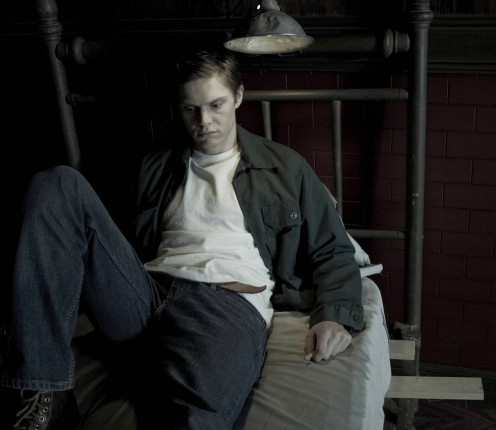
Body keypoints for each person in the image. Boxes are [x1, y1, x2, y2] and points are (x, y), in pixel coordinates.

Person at [0, 49, 365, 430]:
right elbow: (102, 243)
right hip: (145, 296)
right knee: (58, 184)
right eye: (191, 109)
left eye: (216, 105)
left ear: (238, 96)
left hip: (222, 303)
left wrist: (335, 316)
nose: (204, 121)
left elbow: (332, 249)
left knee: (195, 415)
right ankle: (45, 390)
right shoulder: (154, 166)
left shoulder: (285, 167)